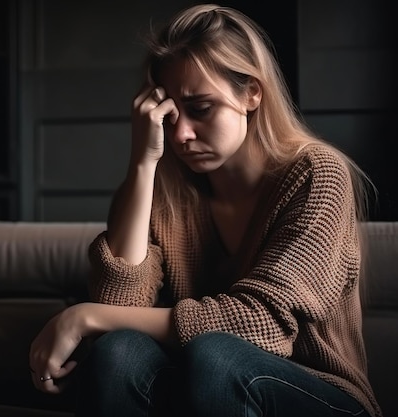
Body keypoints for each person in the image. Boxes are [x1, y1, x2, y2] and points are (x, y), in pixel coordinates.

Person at [28, 3, 383, 416]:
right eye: (170, 115)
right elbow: (120, 305)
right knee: (119, 351)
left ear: (251, 93)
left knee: (218, 356)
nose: (181, 134)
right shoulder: (166, 191)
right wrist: (143, 164)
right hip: (205, 391)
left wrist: (83, 317)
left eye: (201, 109)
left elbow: (262, 326)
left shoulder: (315, 176)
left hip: (323, 396)